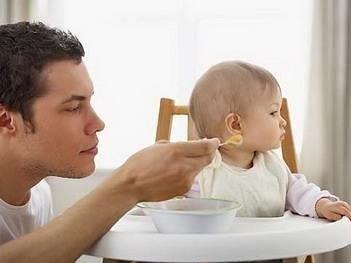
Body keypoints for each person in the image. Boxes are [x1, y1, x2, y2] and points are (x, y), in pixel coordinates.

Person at [0, 21, 219, 262]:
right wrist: (129, 184)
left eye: (89, 102)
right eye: (73, 108)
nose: (98, 123)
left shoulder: (38, 196)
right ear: (6, 120)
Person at [187, 60, 351, 221]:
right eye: (273, 113)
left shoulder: (273, 167)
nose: (282, 121)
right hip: (222, 249)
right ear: (236, 125)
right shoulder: (201, 173)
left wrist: (321, 205)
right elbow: (175, 210)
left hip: (272, 248)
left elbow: (301, 193)